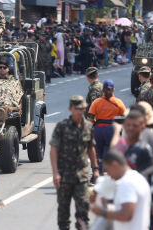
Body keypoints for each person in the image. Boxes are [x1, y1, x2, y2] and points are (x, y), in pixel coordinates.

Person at [50, 95, 100, 230]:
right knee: (63, 214)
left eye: (83, 109)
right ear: (70, 109)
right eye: (77, 109)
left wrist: (95, 169)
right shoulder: (62, 127)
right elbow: (53, 149)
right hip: (64, 176)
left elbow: (91, 148)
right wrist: (55, 173)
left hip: (82, 176)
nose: (80, 111)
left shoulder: (88, 127)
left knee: (83, 211)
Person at [90, 150, 151, 230]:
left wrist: (102, 212)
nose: (109, 176)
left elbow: (126, 215)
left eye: (108, 170)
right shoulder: (138, 177)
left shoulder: (126, 183)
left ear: (115, 165)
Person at [88, 79, 126, 171]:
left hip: (98, 130)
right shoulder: (118, 102)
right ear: (113, 90)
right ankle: (111, 173)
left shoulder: (96, 102)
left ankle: (97, 173)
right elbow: (125, 117)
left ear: (102, 90)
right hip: (112, 130)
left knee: (97, 153)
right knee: (112, 153)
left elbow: (90, 118)